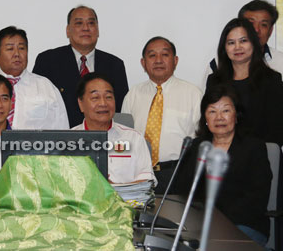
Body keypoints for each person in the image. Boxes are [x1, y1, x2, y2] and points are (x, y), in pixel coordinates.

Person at [174, 84, 271, 247]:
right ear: (205, 118)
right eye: (212, 111)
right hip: (198, 225)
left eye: (225, 110)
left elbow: (256, 198)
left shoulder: (254, 148)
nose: (219, 117)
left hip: (243, 225)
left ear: (236, 115)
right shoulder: (197, 147)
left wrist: (217, 222)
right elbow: (181, 191)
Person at [122, 37, 201, 193]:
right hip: (139, 174)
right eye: (152, 55)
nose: (158, 60)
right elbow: (123, 136)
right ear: (143, 63)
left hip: (177, 173)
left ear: (175, 60)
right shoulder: (133, 95)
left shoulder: (193, 94)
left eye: (165, 55)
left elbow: (201, 137)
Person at [33, 6, 129, 128]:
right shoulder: (48, 61)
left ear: (98, 30)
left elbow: (120, 110)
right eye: (79, 23)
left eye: (91, 23)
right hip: (61, 140)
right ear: (68, 30)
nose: (86, 28)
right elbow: (38, 108)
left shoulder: (114, 65)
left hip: (105, 139)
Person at [206, 18, 283, 146]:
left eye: (243, 41)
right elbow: (209, 123)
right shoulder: (214, 81)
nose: (237, 47)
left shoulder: (271, 79)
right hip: (223, 154)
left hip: (261, 156)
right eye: (231, 43)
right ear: (224, 48)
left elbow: (278, 128)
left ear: (253, 44)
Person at [72, 73, 154, 184]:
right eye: (95, 98)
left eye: (108, 97)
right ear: (81, 104)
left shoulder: (134, 138)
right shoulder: (67, 140)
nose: (103, 103)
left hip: (126, 200)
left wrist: (114, 190)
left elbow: (146, 182)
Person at [203, 0, 283, 93]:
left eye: (263, 25)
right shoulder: (217, 65)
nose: (256, 30)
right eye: (250, 24)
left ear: (270, 30)